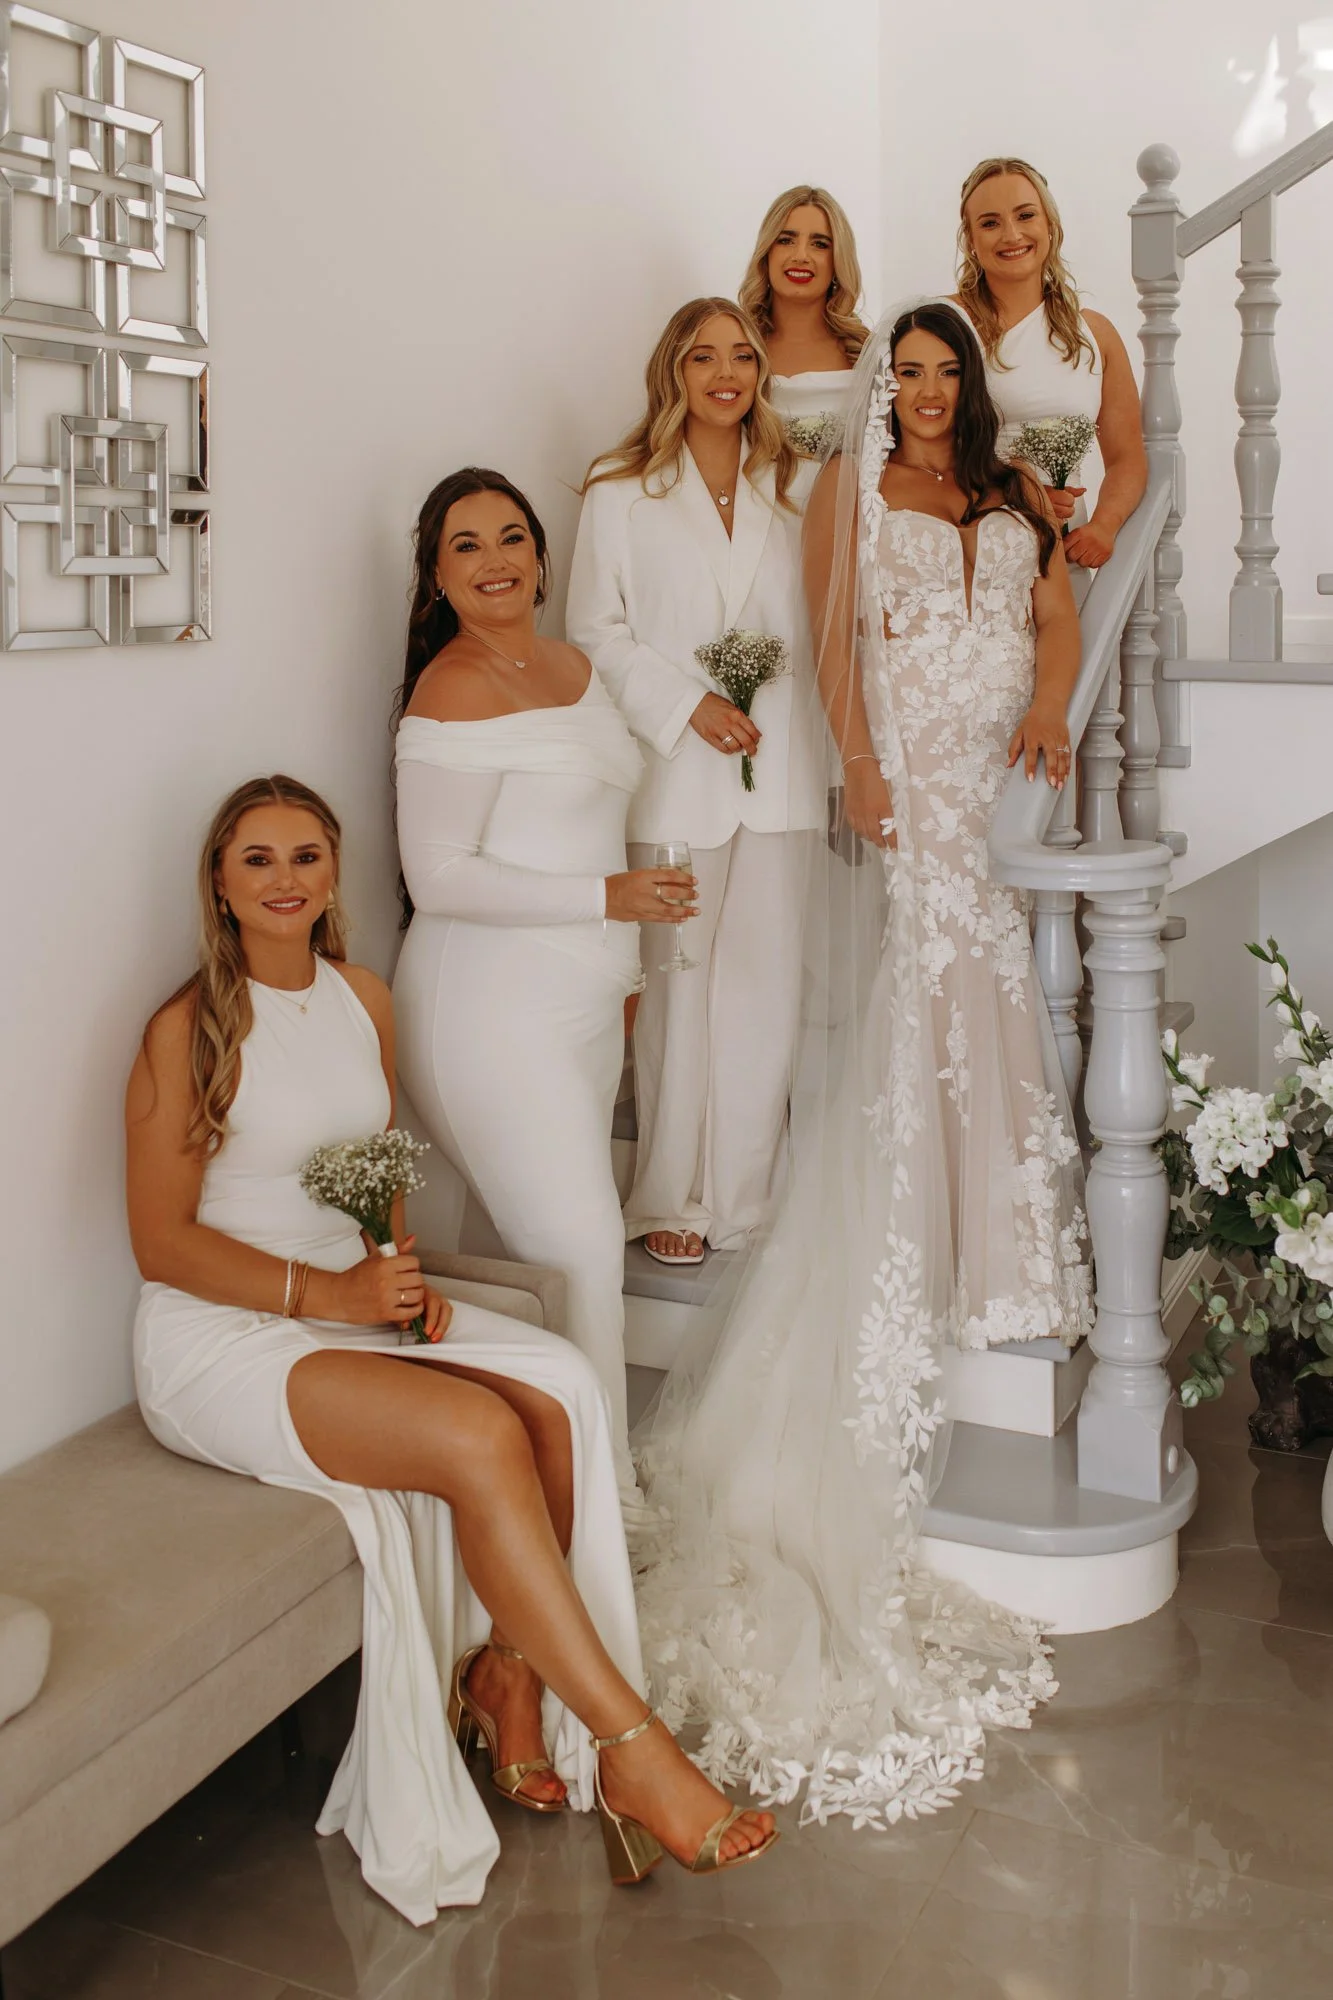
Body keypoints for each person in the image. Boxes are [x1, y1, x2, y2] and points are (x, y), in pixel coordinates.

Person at [128, 775, 776, 1925]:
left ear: (334, 874)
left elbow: (371, 1175)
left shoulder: (363, 999)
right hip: (221, 1339)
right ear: (219, 885)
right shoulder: (190, 1029)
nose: (286, 880)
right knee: (483, 1430)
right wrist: (326, 1287)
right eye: (258, 859)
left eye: (307, 856)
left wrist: (398, 1275)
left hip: (349, 1300)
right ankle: (633, 1745)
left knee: (559, 1384)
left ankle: (505, 1674)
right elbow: (160, 1242)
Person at [632, 302, 1092, 1830]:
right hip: (909, 768)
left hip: (992, 758)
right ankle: (929, 1241)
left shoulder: (1010, 491)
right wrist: (867, 761)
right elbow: (831, 639)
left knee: (990, 985)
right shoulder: (854, 487)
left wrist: (1043, 698)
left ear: (966, 380)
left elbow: (1060, 611)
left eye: (944, 365)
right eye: (905, 368)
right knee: (936, 974)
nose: (925, 386)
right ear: (882, 386)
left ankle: (1001, 1249)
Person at [390, 468, 693, 1524]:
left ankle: (518, 1488)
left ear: (544, 556)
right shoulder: (451, 687)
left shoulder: (570, 664)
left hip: (579, 1005)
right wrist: (605, 897)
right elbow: (440, 878)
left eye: (512, 536)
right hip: (487, 1013)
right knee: (578, 1253)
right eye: (465, 545)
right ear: (435, 576)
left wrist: (623, 973)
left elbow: (593, 827)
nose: (496, 560)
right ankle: (602, 1519)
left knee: (526, 1263)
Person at [567, 297, 823, 1266]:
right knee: (676, 990)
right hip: (674, 774)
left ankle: (746, 1199)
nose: (725, 372)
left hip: (785, 764)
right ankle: (668, 1195)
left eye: (742, 356)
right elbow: (595, 631)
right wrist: (689, 707)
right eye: (703, 356)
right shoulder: (617, 489)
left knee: (764, 989)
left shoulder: (794, 483)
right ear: (671, 372)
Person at [954, 156, 1147, 571]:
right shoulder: (945, 325)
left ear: (1050, 225)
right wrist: (1015, 494)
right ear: (970, 239)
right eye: (989, 223)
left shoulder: (1096, 335)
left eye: (1026, 215)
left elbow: (1127, 457)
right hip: (965, 541)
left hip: (1061, 554)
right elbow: (911, 454)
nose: (1012, 234)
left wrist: (1103, 526)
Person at [738, 183, 869, 472]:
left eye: (820, 244)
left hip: (839, 515)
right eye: (786, 240)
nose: (801, 256)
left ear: (837, 262)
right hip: (749, 512)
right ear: (766, 253)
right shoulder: (737, 346)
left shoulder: (868, 354)